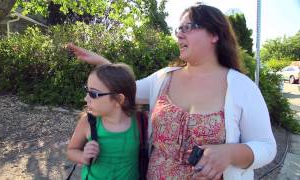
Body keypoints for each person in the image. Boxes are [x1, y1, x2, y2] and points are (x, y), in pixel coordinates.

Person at [67, 3, 276, 180]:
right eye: (178, 29)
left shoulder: (242, 87)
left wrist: (231, 153)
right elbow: (122, 90)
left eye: (188, 27)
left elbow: (267, 146)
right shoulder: (163, 78)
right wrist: (103, 63)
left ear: (214, 34)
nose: (179, 34)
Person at [67, 63, 140, 179]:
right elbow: (71, 151)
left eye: (93, 94)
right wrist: (84, 157)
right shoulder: (88, 122)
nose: (86, 98)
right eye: (87, 90)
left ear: (119, 99)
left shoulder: (139, 122)